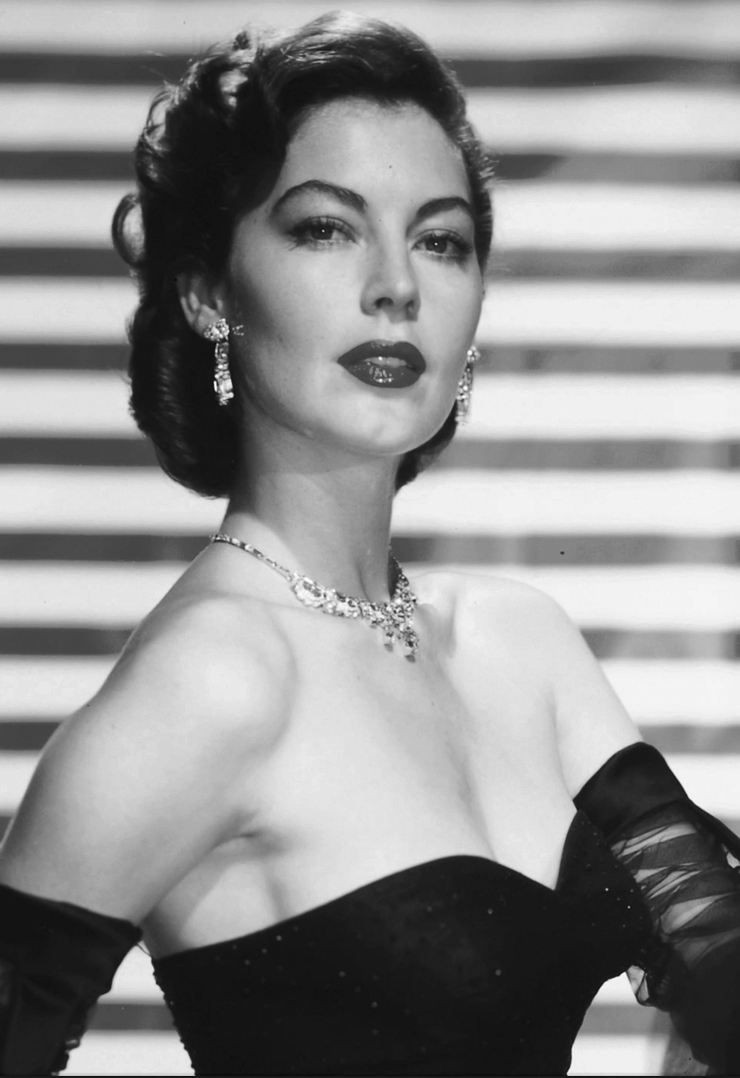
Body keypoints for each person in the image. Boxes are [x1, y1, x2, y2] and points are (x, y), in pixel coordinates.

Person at [1, 12, 739, 1077]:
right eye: (325, 228)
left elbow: (720, 970)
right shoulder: (209, 683)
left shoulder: (520, 641)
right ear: (210, 292)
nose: (396, 284)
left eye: (440, 241)